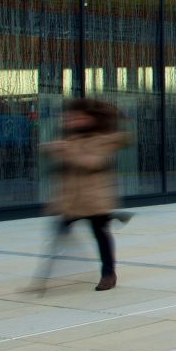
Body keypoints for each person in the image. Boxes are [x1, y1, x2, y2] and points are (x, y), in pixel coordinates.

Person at [38, 98, 129, 292]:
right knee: (59, 233)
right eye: (69, 118)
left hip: (95, 198)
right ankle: (42, 280)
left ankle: (108, 274)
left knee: (101, 236)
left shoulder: (102, 139)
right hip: (72, 199)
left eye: (77, 118)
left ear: (90, 119)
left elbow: (92, 162)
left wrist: (67, 152)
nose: (72, 122)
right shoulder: (68, 139)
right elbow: (51, 151)